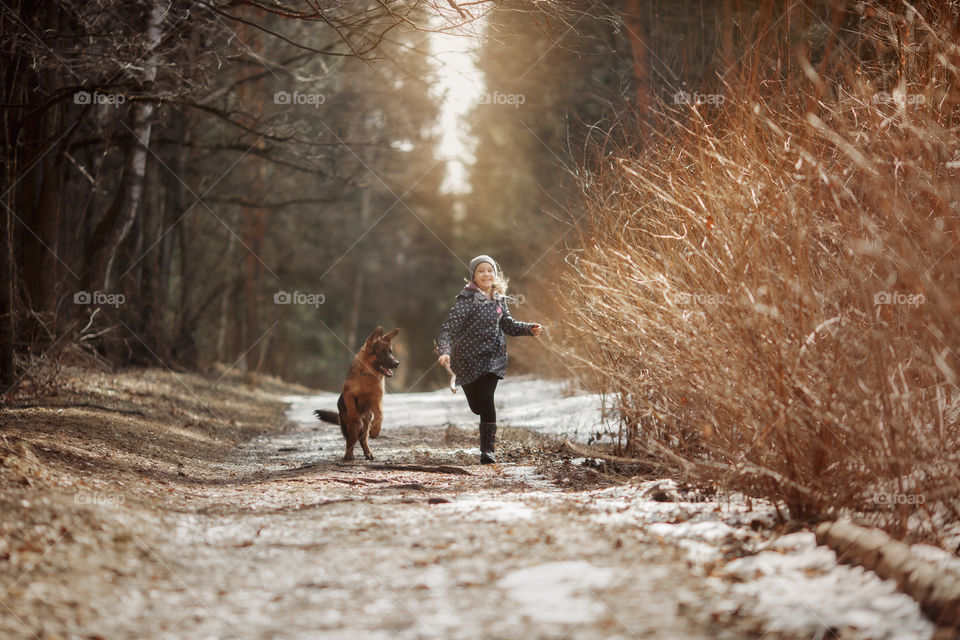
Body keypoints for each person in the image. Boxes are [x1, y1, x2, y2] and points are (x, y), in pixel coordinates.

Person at [436, 255, 543, 464]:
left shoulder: (499, 299)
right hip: (467, 361)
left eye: (489, 270)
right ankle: (485, 437)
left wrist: (529, 329)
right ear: (474, 277)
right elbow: (448, 329)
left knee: (487, 400)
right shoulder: (466, 301)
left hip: (494, 358)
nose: (486, 274)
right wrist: (444, 350)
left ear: (495, 274)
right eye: (481, 271)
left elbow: (508, 325)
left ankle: (488, 451)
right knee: (477, 406)